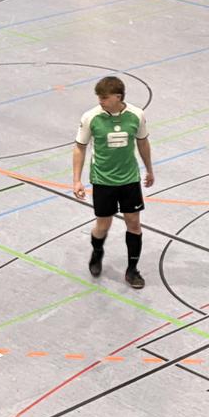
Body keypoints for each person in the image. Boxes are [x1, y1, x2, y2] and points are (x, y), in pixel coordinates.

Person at [70, 74, 153, 289]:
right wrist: (76, 180)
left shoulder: (136, 115)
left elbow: (143, 143)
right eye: (99, 97)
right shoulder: (91, 117)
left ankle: (132, 270)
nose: (101, 101)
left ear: (118, 96)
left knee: (134, 223)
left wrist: (149, 170)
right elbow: (80, 147)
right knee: (103, 224)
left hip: (129, 179)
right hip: (103, 180)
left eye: (105, 98)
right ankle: (97, 254)